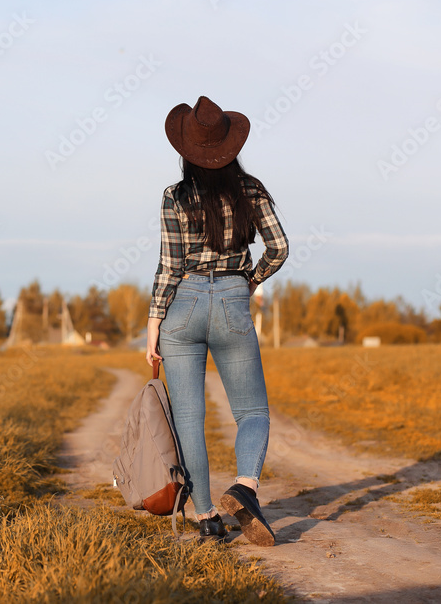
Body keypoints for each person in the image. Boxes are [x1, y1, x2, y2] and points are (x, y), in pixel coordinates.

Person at [145, 96, 288, 547]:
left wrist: (153, 326)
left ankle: (205, 516)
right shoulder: (251, 190)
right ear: (230, 148)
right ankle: (245, 488)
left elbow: (168, 268)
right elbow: (279, 247)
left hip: (182, 306)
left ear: (186, 152)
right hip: (231, 299)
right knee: (252, 411)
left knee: (190, 417)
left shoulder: (175, 196)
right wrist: (250, 280)